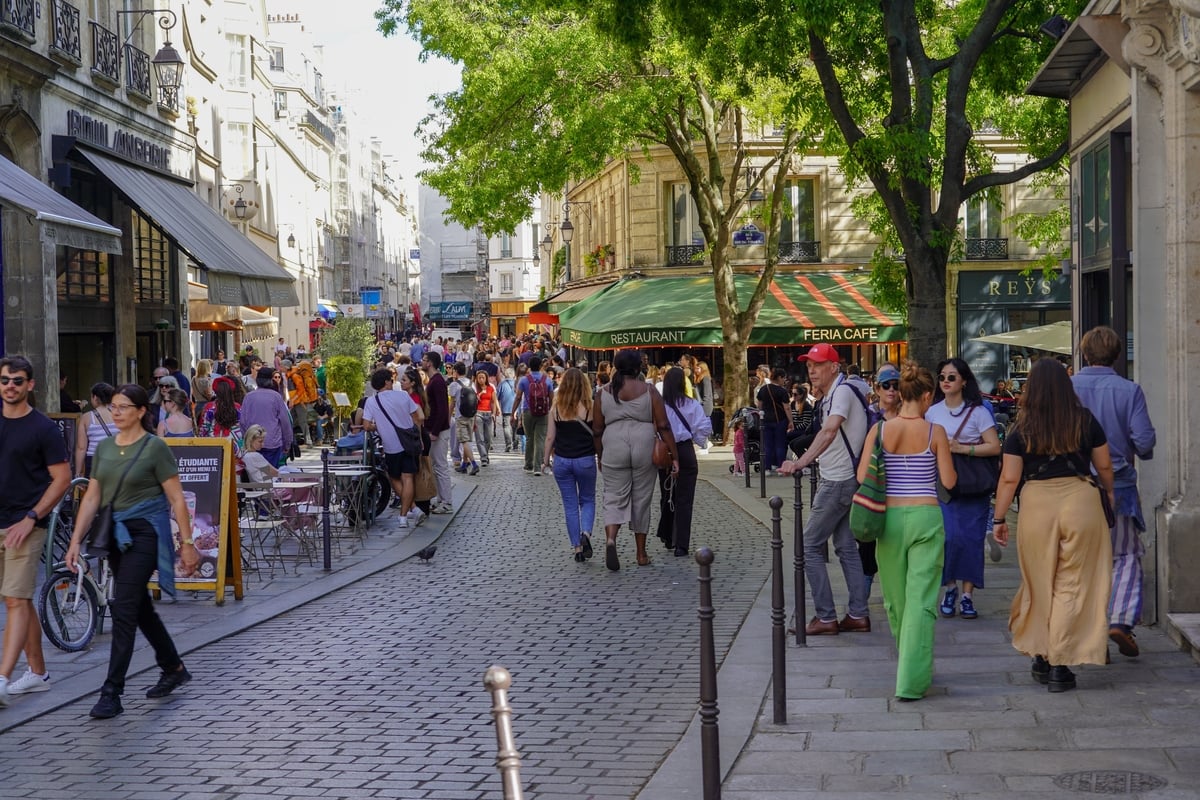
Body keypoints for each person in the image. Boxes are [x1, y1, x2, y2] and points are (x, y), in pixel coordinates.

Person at [65, 384, 199, 718]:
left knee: (123, 608)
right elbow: (93, 496)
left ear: (141, 411)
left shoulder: (155, 448)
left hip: (145, 533)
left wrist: (187, 544)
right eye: (113, 406)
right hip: (114, 533)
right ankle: (174, 668)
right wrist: (74, 541)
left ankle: (112, 691)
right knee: (138, 607)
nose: (117, 412)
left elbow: (177, 498)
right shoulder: (107, 448)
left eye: (124, 407)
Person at [992, 358, 1115, 693]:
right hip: (1081, 500)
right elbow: (1104, 466)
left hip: (1036, 505)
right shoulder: (1085, 420)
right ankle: (1060, 663)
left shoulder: (1021, 428)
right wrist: (1109, 494)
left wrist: (1000, 517)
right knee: (1073, 582)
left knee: (1039, 580)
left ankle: (1044, 655)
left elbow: (1009, 478)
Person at [858, 361, 956, 701]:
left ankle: (910, 661)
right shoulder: (935, 433)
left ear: (900, 394)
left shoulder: (880, 431)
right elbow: (949, 481)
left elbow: (861, 477)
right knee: (922, 599)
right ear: (927, 396)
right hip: (926, 517)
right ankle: (913, 678)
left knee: (896, 600)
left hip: (890, 520)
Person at [1072, 326, 1157, 658]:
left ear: (1084, 353)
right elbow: (1144, 440)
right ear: (1118, 354)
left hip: (1074, 484)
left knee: (1083, 560)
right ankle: (1120, 619)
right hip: (1117, 485)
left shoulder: (1068, 387)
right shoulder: (1129, 390)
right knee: (1124, 557)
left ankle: (1089, 631)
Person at [779, 343, 871, 635]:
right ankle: (858, 614)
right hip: (843, 479)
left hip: (838, 481)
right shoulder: (834, 393)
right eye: (809, 365)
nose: (812, 370)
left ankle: (826, 617)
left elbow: (830, 430)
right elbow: (825, 430)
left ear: (834, 367)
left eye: (818, 364)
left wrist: (800, 462)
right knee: (845, 547)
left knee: (807, 546)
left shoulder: (842, 392)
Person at [0, 356, 72, 705]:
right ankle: (38, 672)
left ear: (30, 384)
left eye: (17, 380)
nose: (9, 386)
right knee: (17, 598)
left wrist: (32, 517)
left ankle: (1, 678)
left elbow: (62, 479)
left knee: (15, 598)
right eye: (4, 380)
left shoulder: (43, 428)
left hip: (26, 523)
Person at [926, 357, 1003, 620]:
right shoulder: (933, 411)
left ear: (964, 381)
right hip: (945, 486)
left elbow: (994, 446)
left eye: (952, 377)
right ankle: (950, 588)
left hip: (973, 485)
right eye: (942, 377)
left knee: (971, 540)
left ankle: (968, 595)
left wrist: (963, 447)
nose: (946, 381)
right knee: (947, 538)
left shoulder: (979, 411)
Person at [593, 349, 678, 571]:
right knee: (642, 499)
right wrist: (674, 455)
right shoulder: (649, 391)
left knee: (613, 497)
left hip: (613, 443)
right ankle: (641, 553)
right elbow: (663, 425)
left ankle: (611, 539)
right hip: (643, 443)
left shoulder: (603, 393)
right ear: (638, 367)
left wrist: (600, 454)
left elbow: (597, 429)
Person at [656, 366, 712, 557]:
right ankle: (681, 544)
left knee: (667, 494)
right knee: (685, 499)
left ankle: (667, 534)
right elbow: (704, 427)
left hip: (664, 452)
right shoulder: (692, 404)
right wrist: (697, 439)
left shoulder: (659, 406)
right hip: (684, 450)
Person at [543, 367, 598, 563]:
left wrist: (545, 461)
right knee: (588, 499)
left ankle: (577, 548)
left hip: (562, 461)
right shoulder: (591, 407)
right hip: (585, 460)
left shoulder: (556, 408)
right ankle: (586, 534)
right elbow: (598, 435)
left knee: (570, 505)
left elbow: (550, 437)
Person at [858, 363, 902, 597]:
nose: (891, 390)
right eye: (886, 385)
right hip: (872, 486)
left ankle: (894, 593)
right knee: (866, 544)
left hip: (899, 490)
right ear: (876, 387)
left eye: (896, 385)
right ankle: (862, 599)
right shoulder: (868, 416)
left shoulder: (909, 415)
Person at [363, 369, 424, 528]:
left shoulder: (371, 401)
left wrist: (380, 427)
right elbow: (417, 416)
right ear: (386, 382)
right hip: (409, 443)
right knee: (408, 478)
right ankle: (409, 513)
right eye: (391, 380)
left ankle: (408, 513)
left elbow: (366, 425)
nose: (393, 382)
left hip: (391, 446)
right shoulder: (403, 396)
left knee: (394, 477)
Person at [240, 367, 293, 468]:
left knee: (257, 475)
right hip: (272, 442)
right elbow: (285, 422)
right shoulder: (276, 397)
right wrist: (287, 442)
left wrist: (246, 439)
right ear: (271, 380)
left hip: (253, 441)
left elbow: (243, 421)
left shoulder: (249, 397)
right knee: (271, 474)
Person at [421, 351, 454, 514]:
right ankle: (441, 499)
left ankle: (446, 502)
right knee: (436, 466)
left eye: (424, 360)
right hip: (436, 429)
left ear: (431, 363)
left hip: (438, 431)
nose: (422, 362)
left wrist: (434, 431)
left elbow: (441, 409)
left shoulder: (438, 382)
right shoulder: (434, 381)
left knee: (440, 466)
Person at [512, 355, 555, 476]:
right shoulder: (547, 380)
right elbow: (552, 398)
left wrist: (512, 413)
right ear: (541, 366)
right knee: (540, 439)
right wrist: (550, 410)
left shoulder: (524, 380)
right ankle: (538, 467)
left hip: (528, 411)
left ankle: (528, 464)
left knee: (529, 438)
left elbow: (518, 397)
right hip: (543, 412)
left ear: (529, 367)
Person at [199, 377, 246, 474]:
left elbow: (203, 430)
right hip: (234, 448)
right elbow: (241, 429)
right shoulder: (237, 408)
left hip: (213, 448)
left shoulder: (209, 408)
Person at [75, 383, 117, 477]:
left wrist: (78, 472)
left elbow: (81, 448)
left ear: (95, 397)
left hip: (94, 459)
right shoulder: (118, 414)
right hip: (116, 457)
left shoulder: (86, 418)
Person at [448, 362, 478, 475]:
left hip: (460, 416)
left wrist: (448, 417)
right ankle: (464, 464)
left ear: (455, 371)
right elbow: (475, 401)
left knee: (463, 440)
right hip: (471, 415)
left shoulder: (454, 385)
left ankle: (474, 463)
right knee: (468, 440)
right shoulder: (472, 383)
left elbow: (452, 404)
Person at [472, 369, 497, 466]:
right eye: (479, 378)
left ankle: (485, 454)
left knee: (488, 437)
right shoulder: (475, 389)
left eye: (483, 377)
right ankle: (483, 457)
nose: (481, 380)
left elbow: (493, 401)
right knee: (480, 437)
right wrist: (479, 394)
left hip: (488, 413)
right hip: (478, 413)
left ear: (486, 378)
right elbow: (473, 402)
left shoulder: (491, 388)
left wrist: (494, 413)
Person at [693, 361, 715, 454]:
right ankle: (705, 444)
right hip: (702, 404)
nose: (696, 370)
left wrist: (703, 406)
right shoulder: (700, 379)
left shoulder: (705, 378)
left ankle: (705, 446)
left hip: (705, 405)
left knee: (702, 426)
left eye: (698, 368)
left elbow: (707, 394)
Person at [497, 367, 517, 453]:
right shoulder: (517, 384)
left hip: (505, 408)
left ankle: (508, 444)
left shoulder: (502, 384)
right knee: (515, 426)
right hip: (516, 409)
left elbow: (497, 396)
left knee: (506, 426)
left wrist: (497, 409)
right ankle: (515, 442)